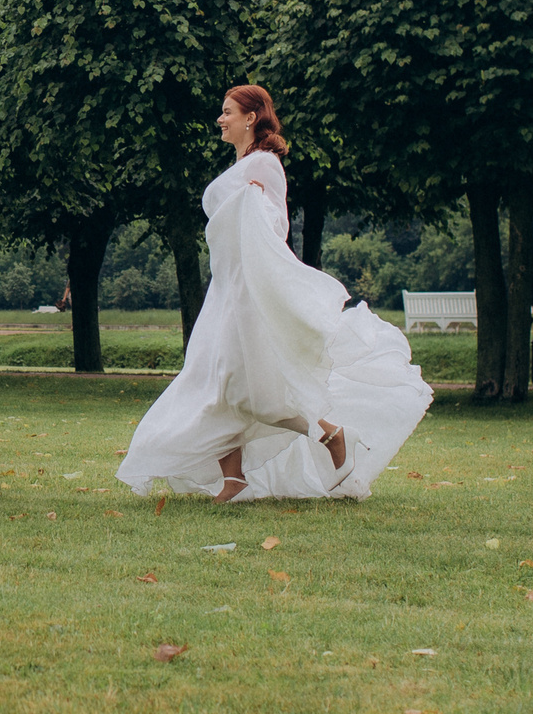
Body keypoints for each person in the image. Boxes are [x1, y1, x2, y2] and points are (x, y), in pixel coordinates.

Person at [116, 85, 431, 503]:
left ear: (251, 117)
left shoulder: (264, 165)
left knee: (256, 394)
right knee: (213, 384)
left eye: (227, 112)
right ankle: (235, 480)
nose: (220, 119)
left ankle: (331, 435)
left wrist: (247, 212)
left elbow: (273, 226)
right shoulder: (242, 165)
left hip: (247, 296)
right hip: (224, 291)